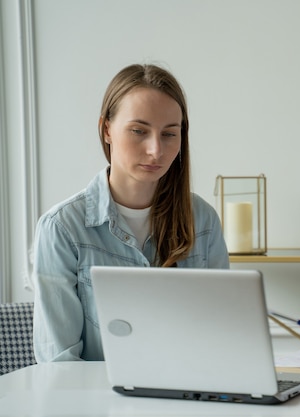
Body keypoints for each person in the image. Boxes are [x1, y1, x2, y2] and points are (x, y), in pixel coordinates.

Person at [32, 64, 230, 362]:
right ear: (107, 129)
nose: (156, 150)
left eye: (169, 134)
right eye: (139, 131)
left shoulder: (202, 220)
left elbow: (223, 338)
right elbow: (60, 365)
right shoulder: (62, 228)